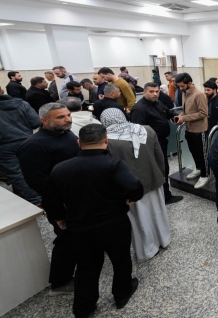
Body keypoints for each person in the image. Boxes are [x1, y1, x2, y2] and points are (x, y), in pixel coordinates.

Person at [42, 124, 143, 318]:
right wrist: (131, 199)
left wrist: (60, 218)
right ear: (106, 140)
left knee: (87, 266)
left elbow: (50, 200)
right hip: (114, 223)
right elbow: (135, 186)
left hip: (80, 227)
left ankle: (84, 307)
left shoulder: (60, 168)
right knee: (121, 259)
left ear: (79, 143)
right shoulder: (114, 164)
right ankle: (121, 293)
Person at [17, 103, 79, 296]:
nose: (67, 119)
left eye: (68, 115)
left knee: (77, 236)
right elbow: (39, 182)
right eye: (60, 117)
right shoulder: (34, 146)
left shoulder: (65, 133)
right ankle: (60, 282)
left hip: (76, 196)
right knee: (67, 239)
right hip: (61, 202)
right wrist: (59, 211)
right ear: (44, 120)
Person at [101, 109, 171, 263]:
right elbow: (159, 155)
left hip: (129, 188)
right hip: (153, 178)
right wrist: (161, 173)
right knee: (158, 211)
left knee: (140, 219)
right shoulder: (146, 129)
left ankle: (147, 250)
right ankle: (164, 239)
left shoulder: (107, 140)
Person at [130, 82, 183, 205]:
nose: (155, 94)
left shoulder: (157, 103)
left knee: (163, 167)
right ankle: (165, 196)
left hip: (161, 141)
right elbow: (137, 130)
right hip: (152, 144)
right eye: (151, 92)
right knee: (161, 168)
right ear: (144, 92)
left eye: (157, 91)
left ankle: (163, 194)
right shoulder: (139, 109)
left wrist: (177, 116)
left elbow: (168, 113)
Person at [0, 89, 42, 205]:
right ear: (2, 91)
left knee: (16, 174)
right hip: (27, 141)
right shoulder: (21, 103)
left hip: (4, 147)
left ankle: (36, 200)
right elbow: (36, 122)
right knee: (35, 169)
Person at [174, 73, 209, 189]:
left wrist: (184, 118)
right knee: (193, 151)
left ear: (189, 83)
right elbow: (186, 111)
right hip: (189, 129)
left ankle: (205, 175)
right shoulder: (184, 93)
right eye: (179, 86)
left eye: (182, 86)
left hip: (200, 130)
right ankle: (198, 169)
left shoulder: (199, 95)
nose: (180, 88)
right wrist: (180, 116)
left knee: (202, 154)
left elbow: (203, 113)